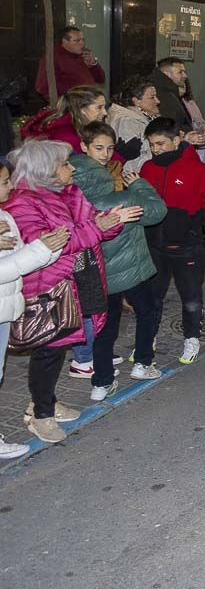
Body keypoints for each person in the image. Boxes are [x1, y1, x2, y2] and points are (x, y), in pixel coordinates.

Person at [6, 140, 133, 443]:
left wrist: (111, 221)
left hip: (80, 280)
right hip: (51, 288)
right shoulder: (22, 203)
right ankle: (40, 414)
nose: (72, 168)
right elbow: (49, 244)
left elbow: (90, 225)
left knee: (61, 348)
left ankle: (45, 400)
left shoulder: (68, 191)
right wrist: (98, 227)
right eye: (65, 164)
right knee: (48, 351)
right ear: (46, 170)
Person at [70, 122, 166, 395]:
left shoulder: (71, 194)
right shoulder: (119, 198)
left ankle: (101, 382)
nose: (105, 154)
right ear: (84, 147)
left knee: (105, 327)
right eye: (99, 148)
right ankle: (143, 363)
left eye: (110, 148)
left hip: (95, 273)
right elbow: (157, 211)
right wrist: (140, 185)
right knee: (147, 311)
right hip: (129, 271)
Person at [140, 117, 205, 366]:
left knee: (191, 296)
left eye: (161, 144)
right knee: (153, 297)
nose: (156, 150)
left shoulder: (196, 169)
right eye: (152, 145)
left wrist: (191, 224)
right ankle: (148, 337)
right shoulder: (147, 168)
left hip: (187, 246)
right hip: (155, 246)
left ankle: (192, 338)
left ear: (177, 140)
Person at [0, 158, 66, 457]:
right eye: (4, 182)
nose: (10, 186)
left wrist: (49, 247)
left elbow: (19, 257)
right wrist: (41, 249)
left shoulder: (4, 215)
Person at [20, 84, 109, 154]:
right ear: (82, 109)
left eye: (104, 107)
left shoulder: (76, 129)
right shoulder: (67, 138)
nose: (105, 113)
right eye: (99, 107)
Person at [35, 26, 105, 100]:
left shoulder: (83, 55)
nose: (82, 43)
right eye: (77, 40)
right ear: (64, 41)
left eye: (83, 40)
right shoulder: (52, 57)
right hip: (72, 105)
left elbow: (100, 79)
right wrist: (63, 105)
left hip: (90, 101)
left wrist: (93, 64)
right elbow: (42, 88)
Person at [107, 76, 160, 169]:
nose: (158, 101)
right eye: (152, 97)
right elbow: (131, 161)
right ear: (136, 101)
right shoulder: (126, 121)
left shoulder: (141, 117)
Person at [151, 57, 192, 129]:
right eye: (180, 72)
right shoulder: (162, 94)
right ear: (167, 74)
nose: (185, 76)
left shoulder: (171, 91)